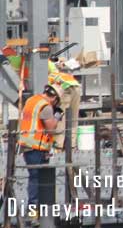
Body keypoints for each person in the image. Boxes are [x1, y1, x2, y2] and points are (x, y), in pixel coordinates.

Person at [19, 84, 61, 222]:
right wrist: (58, 115)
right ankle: (33, 214)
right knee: (37, 180)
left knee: (34, 179)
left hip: (27, 146)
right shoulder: (46, 107)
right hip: (37, 147)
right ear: (54, 97)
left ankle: (35, 213)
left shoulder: (32, 100)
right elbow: (51, 128)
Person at [47, 59, 81, 151]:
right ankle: (72, 147)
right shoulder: (49, 63)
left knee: (60, 118)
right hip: (74, 85)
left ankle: (58, 146)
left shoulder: (36, 65)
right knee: (73, 118)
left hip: (63, 88)